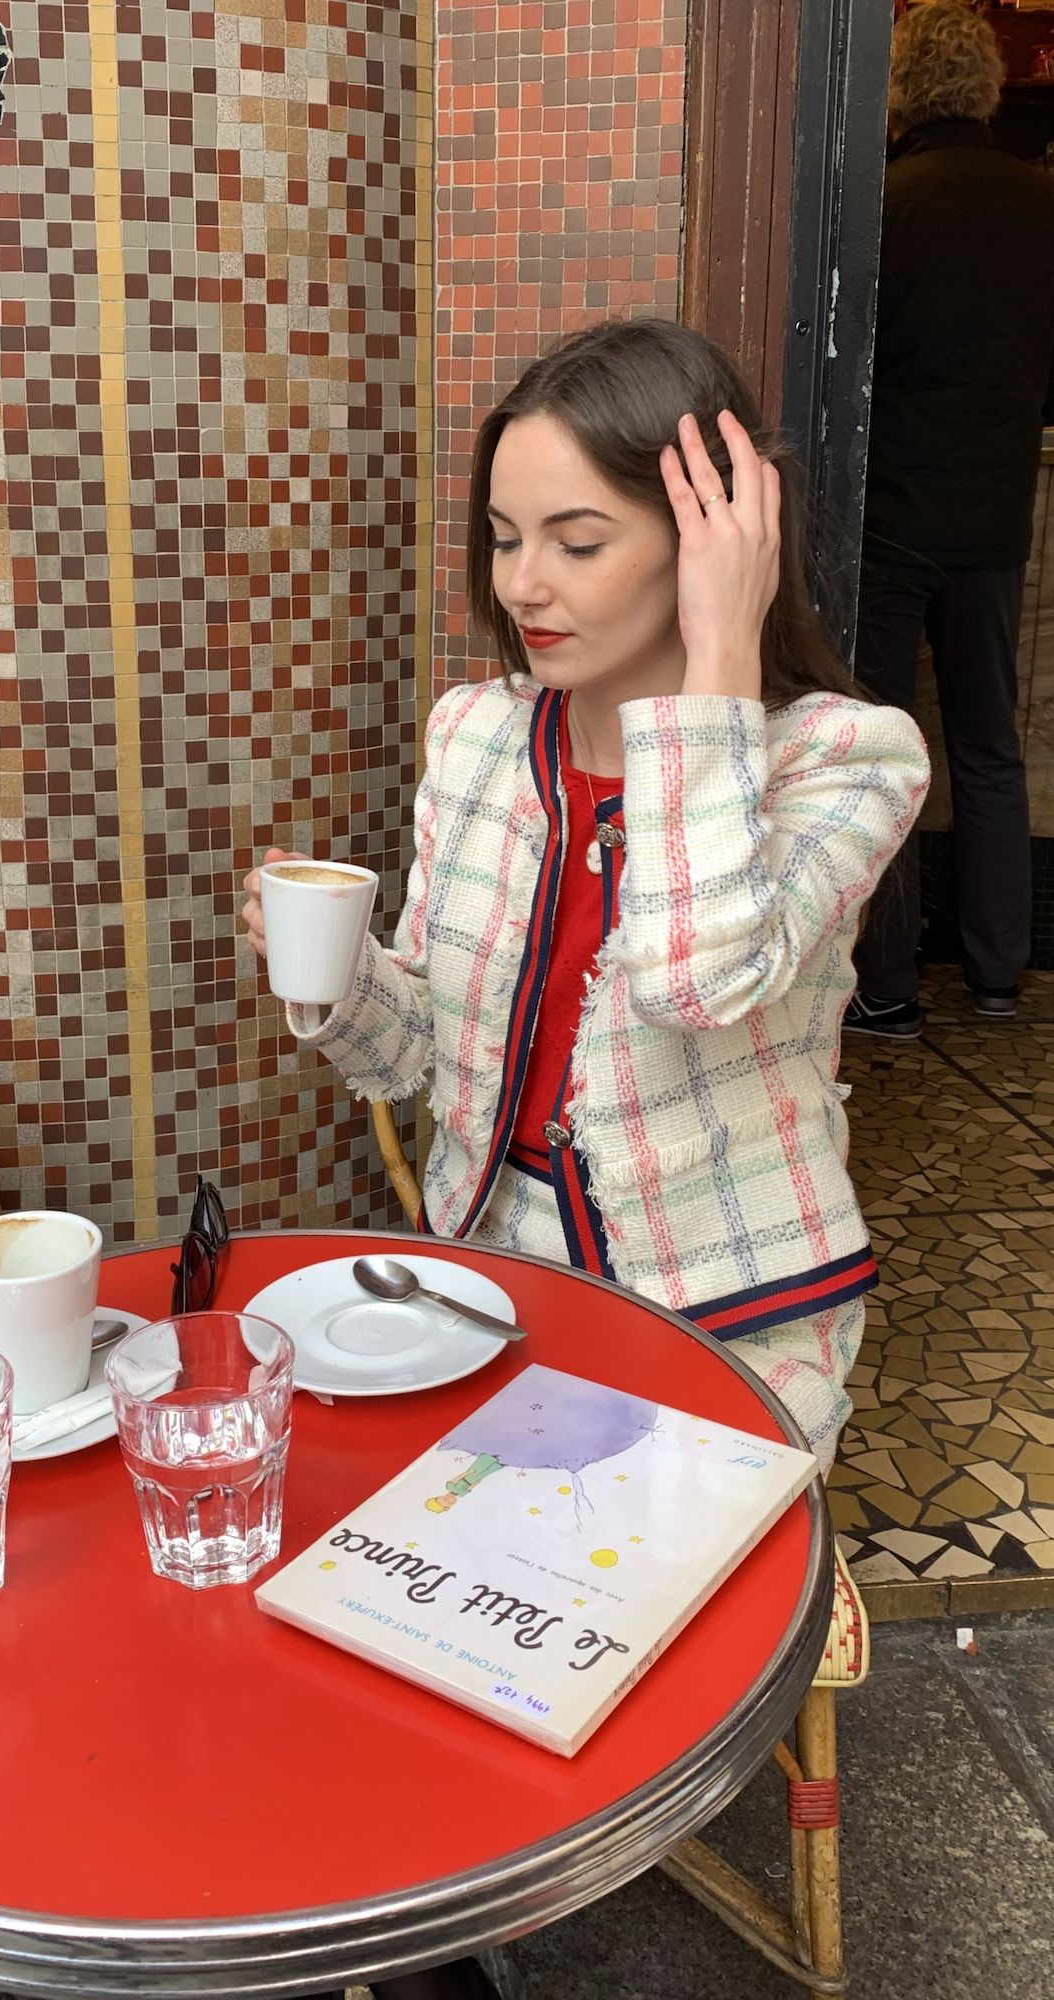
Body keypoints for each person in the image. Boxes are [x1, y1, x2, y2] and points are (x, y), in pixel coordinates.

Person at [241, 318, 930, 1473]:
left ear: (710, 541)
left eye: (579, 542)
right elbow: (420, 1049)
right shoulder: (476, 736)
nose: (522, 583)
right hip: (484, 1286)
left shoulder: (848, 760)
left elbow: (695, 981)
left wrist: (724, 649)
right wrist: (336, 971)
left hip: (733, 1310)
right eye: (508, 539)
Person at [847, 2, 1054, 1038]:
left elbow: (856, 374)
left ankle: (887, 988)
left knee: (886, 747)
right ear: (986, 87)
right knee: (987, 745)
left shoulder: (889, 207)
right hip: (995, 517)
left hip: (893, 520)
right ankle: (998, 973)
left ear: (899, 88)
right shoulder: (1039, 203)